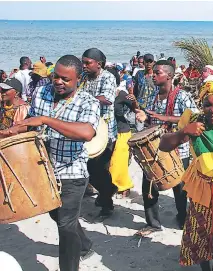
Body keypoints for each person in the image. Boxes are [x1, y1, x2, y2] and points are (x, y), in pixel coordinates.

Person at [3, 55, 99, 271]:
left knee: (65, 226)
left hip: (72, 172)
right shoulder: (42, 91)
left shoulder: (88, 102)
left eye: (65, 79)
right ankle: (85, 244)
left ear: (78, 79)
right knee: (57, 215)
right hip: (42, 169)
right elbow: (31, 123)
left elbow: (86, 133)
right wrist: (9, 132)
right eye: (56, 76)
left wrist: (47, 120)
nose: (58, 82)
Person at [157, 81, 213, 271]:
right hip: (202, 188)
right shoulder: (195, 122)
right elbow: (164, 145)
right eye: (208, 104)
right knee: (200, 235)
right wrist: (184, 131)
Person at [134, 60, 199, 235]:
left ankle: (183, 218)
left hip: (179, 149)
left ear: (169, 75)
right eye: (153, 73)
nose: (153, 75)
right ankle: (153, 223)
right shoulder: (154, 96)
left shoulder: (182, 96)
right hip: (155, 149)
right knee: (148, 187)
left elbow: (194, 119)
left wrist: (166, 118)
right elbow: (152, 120)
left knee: (180, 190)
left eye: (158, 73)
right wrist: (144, 117)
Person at [81, 48, 118, 218]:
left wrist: (84, 100)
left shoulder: (108, 77)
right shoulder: (83, 77)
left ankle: (107, 204)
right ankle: (108, 191)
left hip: (106, 132)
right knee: (89, 169)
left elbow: (108, 98)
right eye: (83, 62)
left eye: (87, 63)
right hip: (87, 130)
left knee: (100, 169)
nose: (84, 66)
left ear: (99, 64)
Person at [109, 83, 136, 198]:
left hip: (122, 132)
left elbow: (136, 108)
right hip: (107, 132)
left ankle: (124, 187)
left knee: (119, 162)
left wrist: (135, 101)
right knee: (109, 162)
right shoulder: (99, 95)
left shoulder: (121, 94)